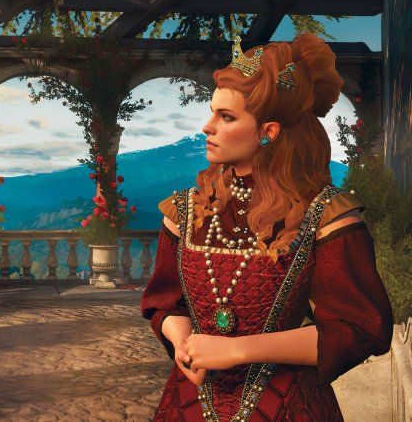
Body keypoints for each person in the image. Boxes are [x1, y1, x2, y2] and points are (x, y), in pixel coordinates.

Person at [140, 33, 393, 421]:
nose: (207, 127)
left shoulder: (327, 215)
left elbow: (357, 327)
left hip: (288, 405)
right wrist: (183, 342)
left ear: (268, 131)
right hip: (190, 400)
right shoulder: (186, 211)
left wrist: (239, 349)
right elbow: (164, 302)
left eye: (226, 117)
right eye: (212, 112)